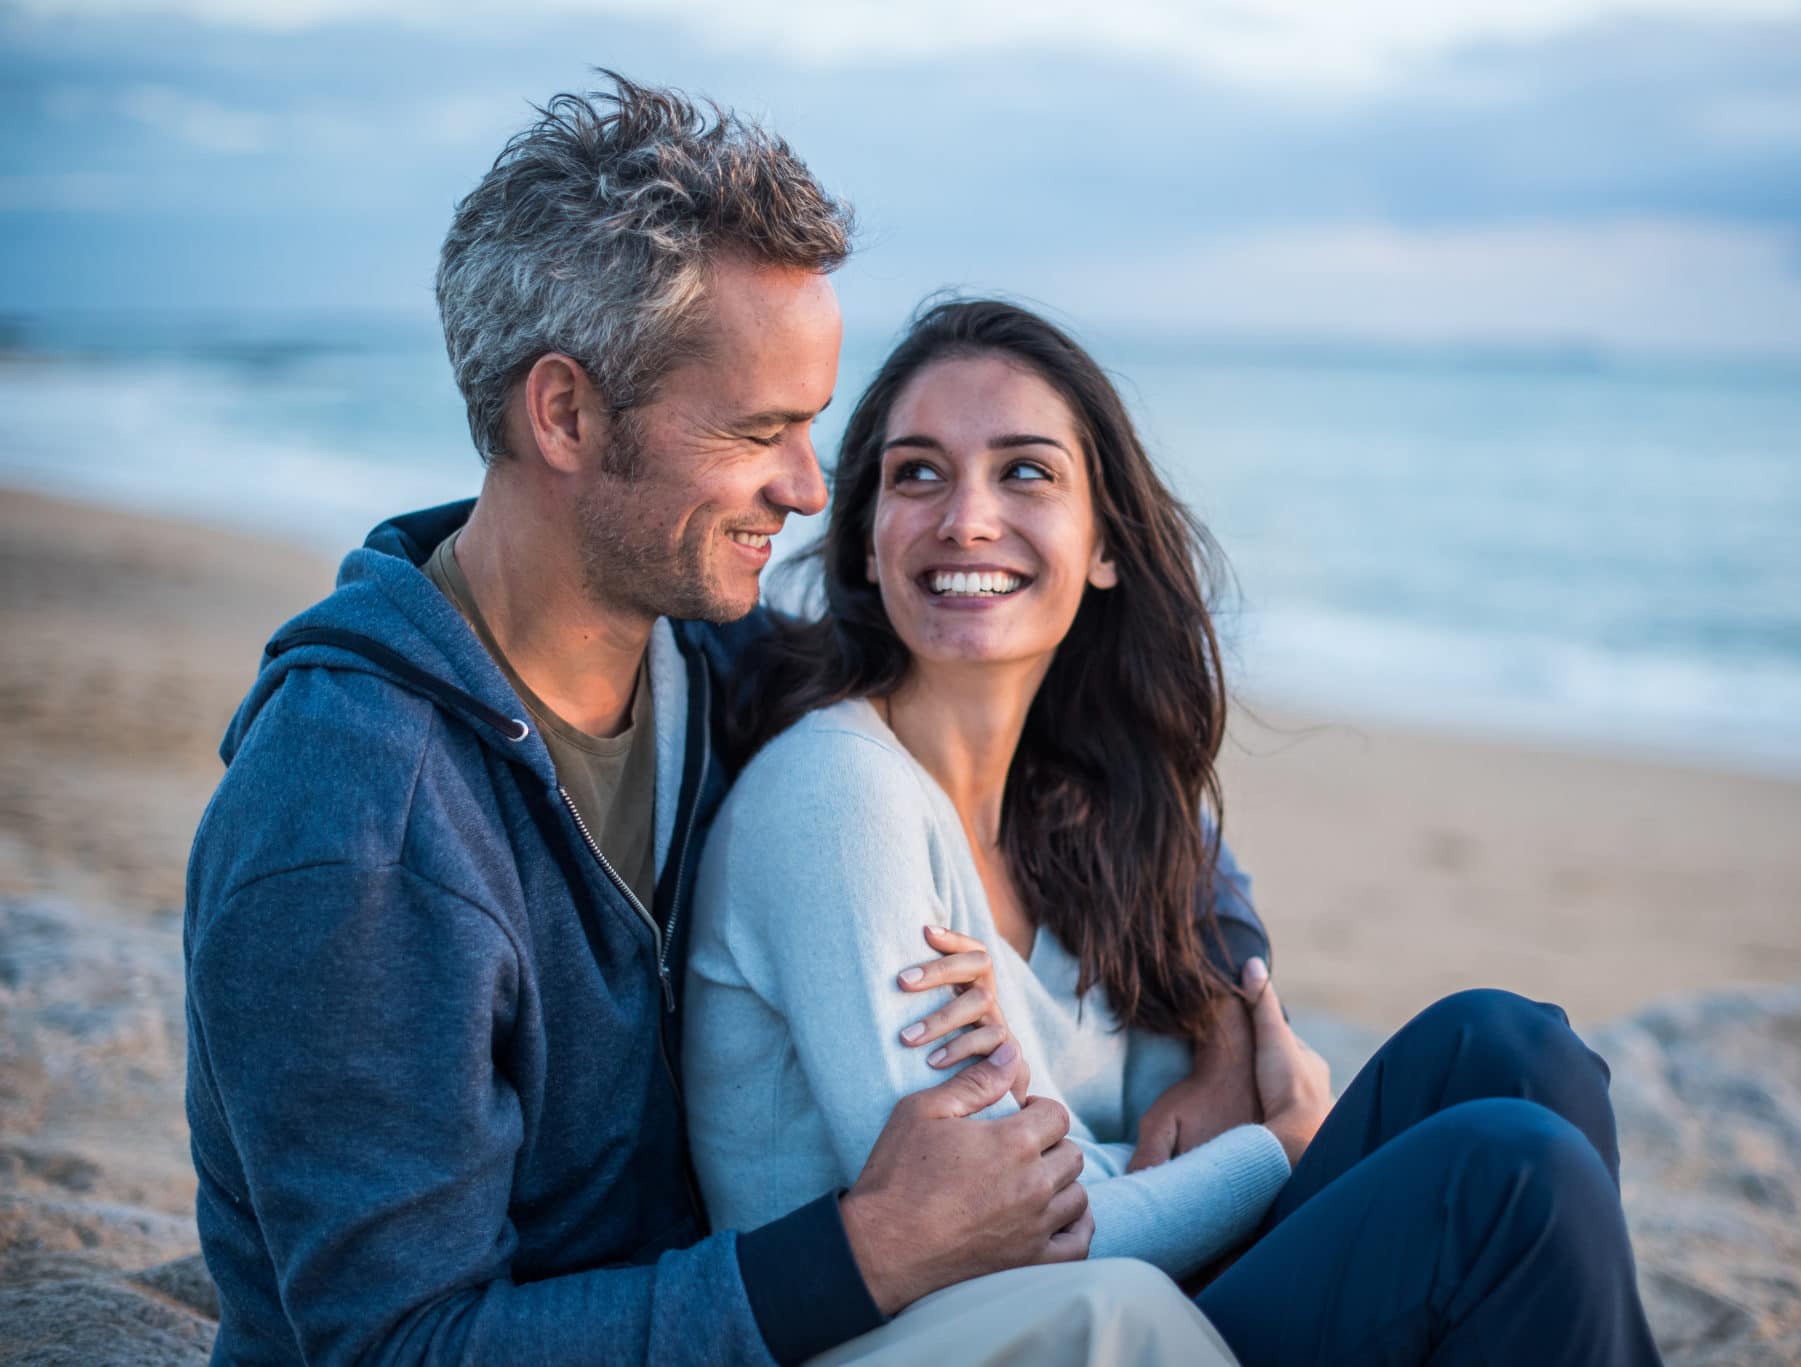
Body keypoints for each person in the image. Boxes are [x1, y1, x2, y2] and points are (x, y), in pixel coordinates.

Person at [182, 77, 1252, 1365]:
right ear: (566, 413)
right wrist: (862, 1251)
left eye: (813, 427)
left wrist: (1220, 1008)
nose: (809, 488)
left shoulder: (711, 660)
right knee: (1119, 1319)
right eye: (762, 429)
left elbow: (1070, 741)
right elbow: (401, 1345)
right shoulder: (358, 822)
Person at [685, 299, 1667, 1364]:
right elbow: (998, 1234)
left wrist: (1215, 1045)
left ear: (1104, 544)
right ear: (868, 544)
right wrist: (1269, 1149)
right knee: (1508, 1174)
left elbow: (1088, 1170)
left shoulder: (1080, 807)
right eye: (916, 472)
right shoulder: (839, 799)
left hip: (1122, 1292)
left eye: (1024, 471)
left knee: (1511, 1046)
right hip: (966, 1335)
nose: (965, 517)